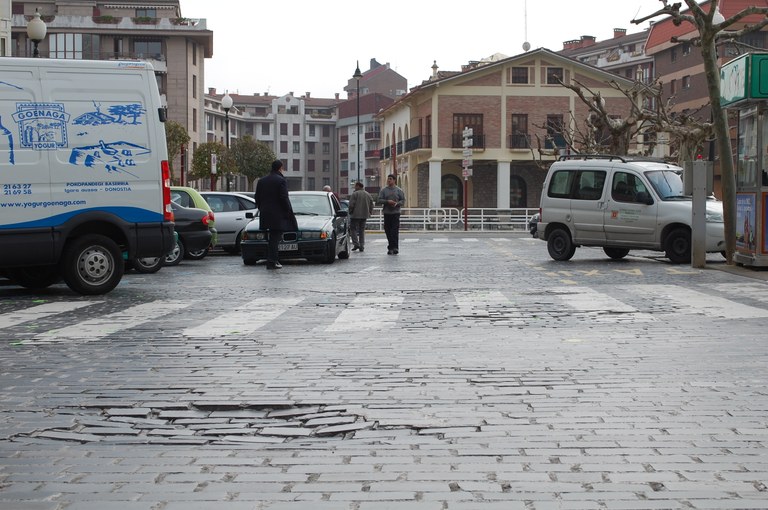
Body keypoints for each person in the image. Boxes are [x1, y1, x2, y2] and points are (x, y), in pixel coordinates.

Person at [254, 160, 297, 270]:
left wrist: (261, 208)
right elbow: (283, 197)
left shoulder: (262, 181)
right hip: (278, 215)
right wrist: (287, 210)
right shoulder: (281, 180)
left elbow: (257, 197)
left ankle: (273, 259)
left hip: (265, 213)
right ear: (280, 168)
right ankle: (272, 261)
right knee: (274, 238)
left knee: (271, 239)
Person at [377, 174, 405, 255]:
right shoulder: (383, 190)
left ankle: (394, 247)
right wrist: (387, 201)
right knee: (388, 230)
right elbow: (379, 200)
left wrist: (397, 204)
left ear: (394, 180)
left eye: (390, 179)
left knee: (394, 230)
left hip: (395, 213)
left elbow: (403, 200)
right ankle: (391, 246)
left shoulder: (399, 190)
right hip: (387, 213)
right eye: (388, 179)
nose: (389, 180)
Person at [348, 181, 374, 252]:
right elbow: (372, 203)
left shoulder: (355, 194)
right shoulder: (368, 194)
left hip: (355, 215)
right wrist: (370, 211)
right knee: (362, 230)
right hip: (364, 215)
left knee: (353, 229)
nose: (354, 187)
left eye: (355, 186)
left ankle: (356, 244)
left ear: (358, 186)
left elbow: (351, 205)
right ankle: (362, 245)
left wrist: (350, 211)